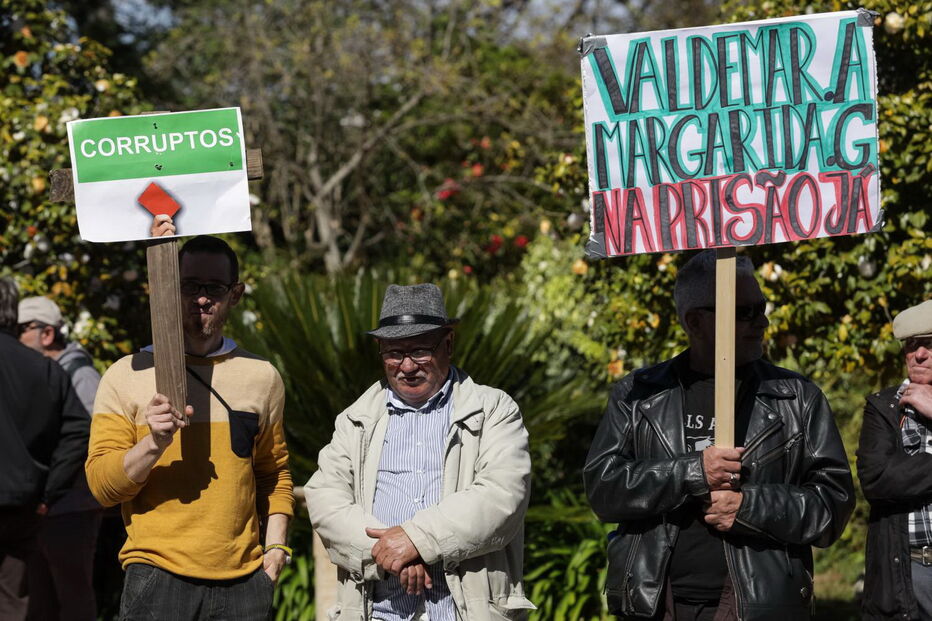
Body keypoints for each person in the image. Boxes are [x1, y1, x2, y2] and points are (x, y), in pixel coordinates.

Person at [584, 249, 855, 620]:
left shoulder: (796, 397)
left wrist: (749, 507)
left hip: (759, 605)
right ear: (695, 322)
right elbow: (603, 489)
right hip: (657, 603)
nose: (762, 322)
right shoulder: (639, 394)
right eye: (744, 312)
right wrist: (693, 472)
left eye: (762, 308)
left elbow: (832, 506)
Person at [85, 219, 294, 620]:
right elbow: (101, 487)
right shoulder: (126, 374)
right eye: (188, 286)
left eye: (213, 288)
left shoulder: (261, 376)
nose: (201, 299)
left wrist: (276, 551)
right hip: (157, 578)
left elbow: (274, 473)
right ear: (168, 289)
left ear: (235, 295)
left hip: (245, 583)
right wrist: (153, 443)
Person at [305, 283, 534, 620]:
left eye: (420, 351)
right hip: (378, 612)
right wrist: (389, 553)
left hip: (463, 612)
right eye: (394, 353)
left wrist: (418, 539)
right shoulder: (355, 419)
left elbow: (502, 495)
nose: (407, 366)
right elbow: (325, 498)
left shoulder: (494, 410)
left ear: (449, 344)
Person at [0, 278, 90, 620]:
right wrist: (47, 493)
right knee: (14, 603)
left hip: (28, 502)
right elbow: (79, 430)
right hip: (24, 508)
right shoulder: (46, 368)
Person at [17, 295, 103, 621]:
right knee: (41, 602)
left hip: (73, 508)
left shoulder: (80, 375)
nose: (15, 336)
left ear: (47, 334)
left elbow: (92, 439)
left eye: (21, 329)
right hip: (46, 507)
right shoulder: (44, 374)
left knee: (74, 599)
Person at [858, 299, 932, 620]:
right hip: (909, 570)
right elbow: (877, 479)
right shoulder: (884, 407)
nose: (919, 354)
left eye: (930, 344)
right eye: (911, 345)